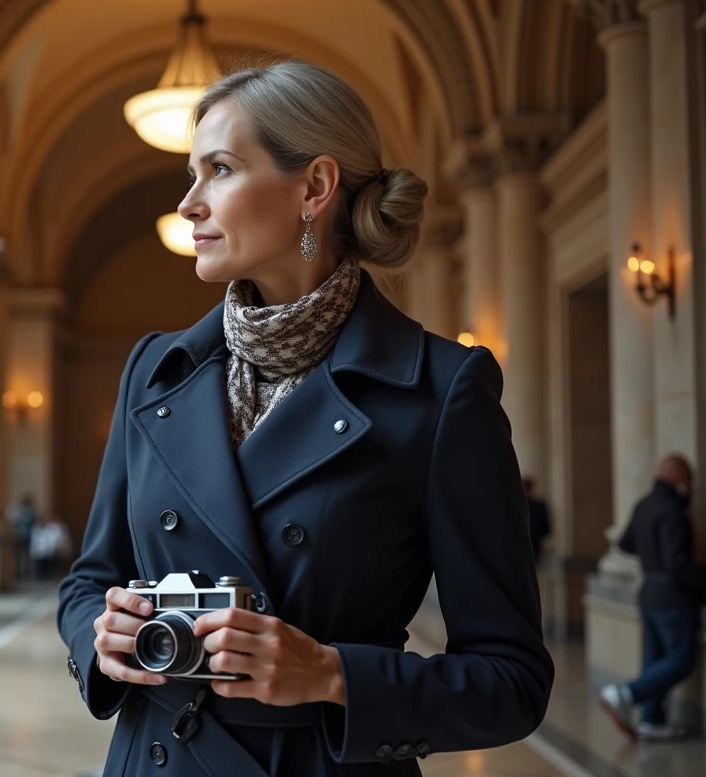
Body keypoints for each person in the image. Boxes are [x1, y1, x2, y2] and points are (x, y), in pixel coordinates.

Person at [56, 61, 553, 776]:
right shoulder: (154, 371)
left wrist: (330, 674)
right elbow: (88, 578)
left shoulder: (442, 391)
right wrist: (99, 638)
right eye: (191, 174)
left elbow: (513, 680)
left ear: (314, 187)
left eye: (219, 169)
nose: (189, 203)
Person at [599, 454, 706, 742]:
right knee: (681, 659)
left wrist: (651, 557)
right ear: (676, 476)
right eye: (689, 477)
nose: (692, 484)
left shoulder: (645, 504)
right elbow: (677, 563)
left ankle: (651, 719)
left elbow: (624, 543)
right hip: (672, 595)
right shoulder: (672, 509)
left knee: (654, 658)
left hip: (648, 592)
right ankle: (625, 693)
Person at [31, 510, 72, 581]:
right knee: (40, 565)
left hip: (50, 549)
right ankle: (40, 576)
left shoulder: (54, 527)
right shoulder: (37, 527)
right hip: (40, 549)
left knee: (50, 564)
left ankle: (49, 576)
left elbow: (56, 538)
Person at [8, 494, 39, 582]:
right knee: (20, 557)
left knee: (29, 556)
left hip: (29, 536)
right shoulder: (20, 512)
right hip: (20, 536)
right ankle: (19, 573)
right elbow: (14, 521)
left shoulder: (32, 512)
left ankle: (28, 573)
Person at [523, 476, 551, 562]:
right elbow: (546, 527)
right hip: (534, 541)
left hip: (524, 541)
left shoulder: (515, 505)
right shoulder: (539, 505)